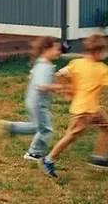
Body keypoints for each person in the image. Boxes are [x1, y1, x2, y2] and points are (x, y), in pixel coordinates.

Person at [41, 33, 108, 178]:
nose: (105, 54)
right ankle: (48, 159)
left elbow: (59, 75)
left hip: (92, 109)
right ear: (97, 52)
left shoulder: (77, 63)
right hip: (85, 111)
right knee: (71, 135)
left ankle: (100, 157)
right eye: (104, 51)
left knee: (106, 126)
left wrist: (67, 91)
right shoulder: (101, 69)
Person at [0, 37, 62, 161]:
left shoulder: (40, 63)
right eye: (56, 49)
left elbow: (30, 77)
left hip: (33, 100)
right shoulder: (44, 66)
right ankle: (33, 153)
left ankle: (10, 127)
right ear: (46, 49)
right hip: (39, 104)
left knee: (36, 126)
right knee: (46, 130)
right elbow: (41, 86)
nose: (59, 52)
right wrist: (57, 86)